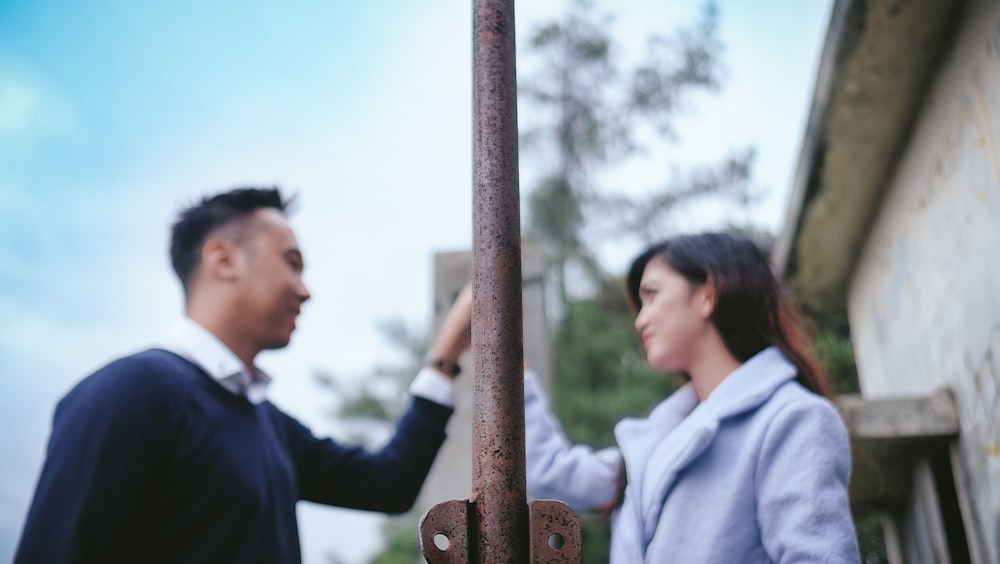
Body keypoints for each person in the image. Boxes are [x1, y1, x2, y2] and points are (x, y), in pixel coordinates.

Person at [14, 187, 472, 564]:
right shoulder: (128, 392)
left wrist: (446, 352)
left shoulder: (266, 422)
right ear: (223, 260)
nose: (305, 290)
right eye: (291, 263)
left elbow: (387, 484)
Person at [522, 232, 860, 562]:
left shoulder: (793, 418)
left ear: (707, 294)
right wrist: (510, 365)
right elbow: (550, 472)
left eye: (651, 295)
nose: (640, 320)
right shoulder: (659, 439)